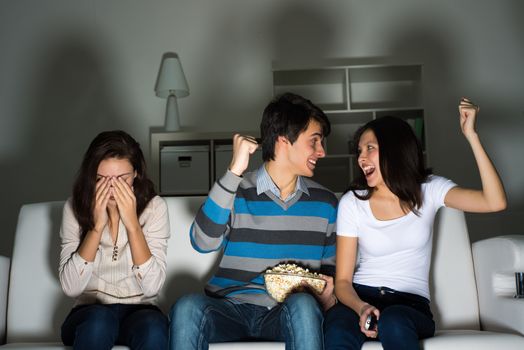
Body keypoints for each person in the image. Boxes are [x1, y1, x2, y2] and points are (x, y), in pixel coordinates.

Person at [324, 98, 507, 350]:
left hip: (409, 306)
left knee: (394, 321)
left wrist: (471, 135)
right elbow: (343, 282)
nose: (361, 158)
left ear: (394, 150)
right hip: (361, 297)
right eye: (359, 151)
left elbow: (494, 202)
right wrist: (362, 308)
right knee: (335, 327)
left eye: (369, 148)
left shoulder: (430, 190)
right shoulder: (352, 203)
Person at [169, 92, 338, 350]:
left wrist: (329, 296)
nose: (322, 152)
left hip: (286, 313)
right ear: (283, 141)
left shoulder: (325, 203)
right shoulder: (235, 190)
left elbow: (332, 275)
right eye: (314, 142)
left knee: (304, 305)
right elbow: (202, 242)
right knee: (187, 306)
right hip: (229, 309)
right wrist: (234, 171)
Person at [59, 130, 170, 350]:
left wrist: (133, 226)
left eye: (121, 179)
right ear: (91, 177)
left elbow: (152, 287)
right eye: (101, 179)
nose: (111, 188)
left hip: (140, 311)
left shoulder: (155, 208)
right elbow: (71, 287)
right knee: (100, 321)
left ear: (136, 173)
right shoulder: (74, 207)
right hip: (89, 312)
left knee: (155, 327)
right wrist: (97, 227)